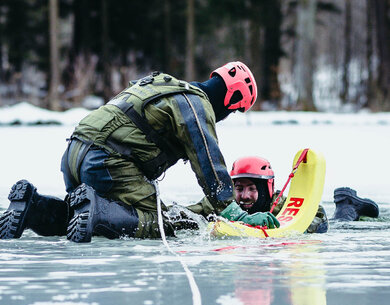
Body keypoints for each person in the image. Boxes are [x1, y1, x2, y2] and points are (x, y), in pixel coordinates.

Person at [0, 61, 279, 242]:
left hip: (75, 151)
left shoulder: (162, 85)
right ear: (231, 99)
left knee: (78, 216)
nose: (225, 116)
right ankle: (98, 211)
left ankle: (33, 208)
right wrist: (235, 213)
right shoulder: (196, 104)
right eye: (231, 111)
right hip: (107, 160)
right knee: (159, 224)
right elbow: (209, 164)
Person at [230, 156, 380, 233]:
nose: (245, 195)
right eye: (239, 188)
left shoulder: (282, 205)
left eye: (252, 189)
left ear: (264, 189)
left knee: (340, 223)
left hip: (335, 225)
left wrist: (288, 227)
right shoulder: (229, 204)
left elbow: (318, 215)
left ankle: (348, 205)